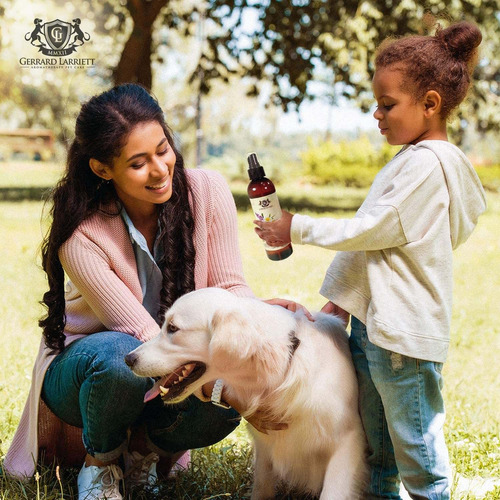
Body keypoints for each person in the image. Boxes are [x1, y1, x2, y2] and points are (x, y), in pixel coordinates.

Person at [4, 83, 297, 499]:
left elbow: (228, 287)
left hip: (167, 365)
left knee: (231, 392)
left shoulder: (208, 191)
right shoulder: (81, 234)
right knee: (122, 362)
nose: (160, 169)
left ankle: (144, 453)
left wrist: (262, 320)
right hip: (92, 370)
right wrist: (219, 384)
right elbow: (140, 331)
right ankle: (100, 464)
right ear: (104, 170)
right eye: (139, 163)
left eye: (163, 149)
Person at [254, 21, 486, 500]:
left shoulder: (426, 166)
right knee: (376, 447)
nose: (376, 114)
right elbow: (379, 248)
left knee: (415, 444)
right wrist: (340, 304)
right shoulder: (411, 159)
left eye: (387, 104)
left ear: (430, 104)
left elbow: (367, 230)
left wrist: (295, 225)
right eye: (376, 103)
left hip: (402, 337)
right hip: (376, 329)